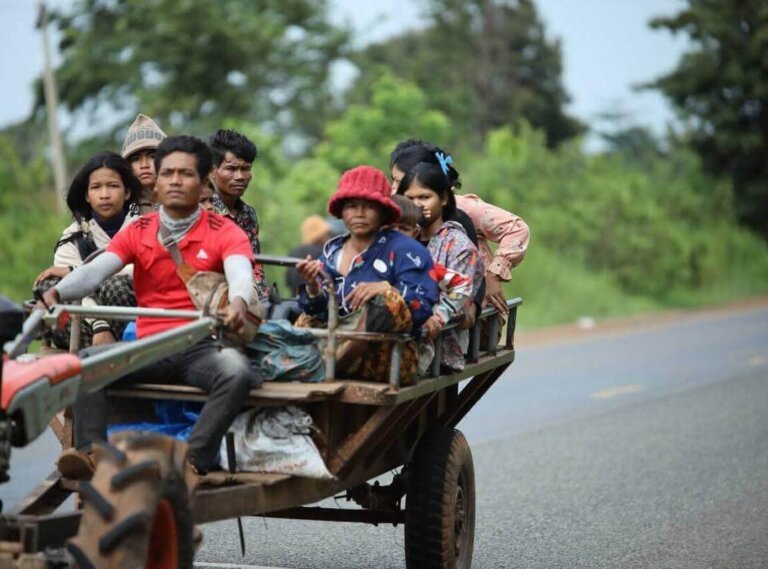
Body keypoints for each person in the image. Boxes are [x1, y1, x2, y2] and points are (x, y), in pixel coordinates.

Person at [42, 135, 258, 479]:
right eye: (167, 173)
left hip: (198, 348)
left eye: (185, 174)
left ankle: (195, 459)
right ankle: (90, 454)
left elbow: (240, 273)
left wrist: (238, 301)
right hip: (147, 344)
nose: (174, 181)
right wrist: (55, 294)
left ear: (203, 182)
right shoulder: (139, 230)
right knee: (83, 363)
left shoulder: (226, 231)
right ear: (154, 183)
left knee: (237, 372)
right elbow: (95, 272)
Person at [295, 165, 439, 383]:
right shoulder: (331, 251)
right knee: (304, 318)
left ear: (383, 212)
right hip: (333, 340)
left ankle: (332, 365)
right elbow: (320, 311)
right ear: (341, 211)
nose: (359, 213)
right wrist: (313, 288)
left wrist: (386, 289)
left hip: (387, 355)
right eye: (352, 206)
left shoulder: (407, 250)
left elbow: (422, 306)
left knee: (386, 300)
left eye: (368, 206)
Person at [390, 140, 530, 316]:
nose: (393, 188)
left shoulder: (462, 212)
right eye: (393, 180)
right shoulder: (400, 214)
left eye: (399, 181)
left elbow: (517, 229)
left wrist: (493, 276)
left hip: (470, 298)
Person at [34, 151, 142, 348]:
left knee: (115, 286)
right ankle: (102, 342)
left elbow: (148, 272)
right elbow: (72, 288)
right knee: (48, 287)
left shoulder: (145, 227)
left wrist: (76, 272)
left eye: (113, 186)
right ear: (86, 195)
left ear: (127, 192)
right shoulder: (72, 237)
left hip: (134, 321)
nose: (104, 194)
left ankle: (122, 348)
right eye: (96, 187)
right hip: (86, 327)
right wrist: (100, 325)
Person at [396, 154, 483, 372]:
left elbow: (459, 301)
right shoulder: (397, 238)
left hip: (441, 345)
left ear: (444, 198)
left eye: (425, 197)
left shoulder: (459, 245)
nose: (417, 205)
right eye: (410, 198)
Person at [209, 129, 269, 301]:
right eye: (231, 168)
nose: (240, 176)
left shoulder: (249, 214)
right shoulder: (203, 210)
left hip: (248, 302)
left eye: (245, 169)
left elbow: (255, 267)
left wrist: (263, 304)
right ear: (214, 170)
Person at [120, 114, 167, 214]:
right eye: (135, 159)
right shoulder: (120, 209)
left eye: (152, 156)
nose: (144, 165)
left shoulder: (186, 203)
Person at [285, 215, 331, 295]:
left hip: (296, 301)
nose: (328, 237)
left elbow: (288, 281)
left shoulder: (294, 252)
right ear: (322, 233)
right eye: (326, 234)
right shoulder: (323, 253)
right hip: (316, 301)